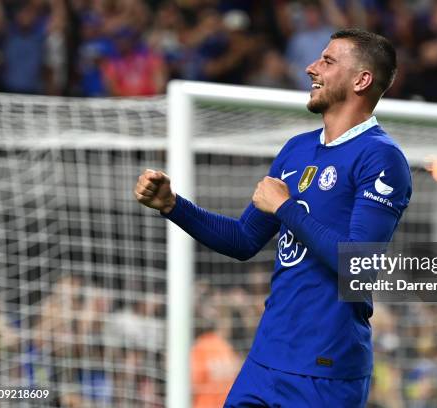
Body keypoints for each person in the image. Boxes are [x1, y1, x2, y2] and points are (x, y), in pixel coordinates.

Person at [134, 28, 412, 406]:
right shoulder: (296, 150)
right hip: (266, 358)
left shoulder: (380, 157)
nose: (311, 67)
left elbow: (359, 265)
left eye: (328, 61)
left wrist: (286, 208)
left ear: (362, 80)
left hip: (325, 369)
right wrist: (173, 205)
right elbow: (243, 240)